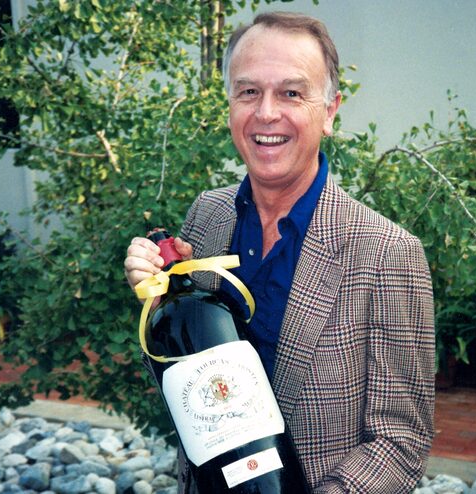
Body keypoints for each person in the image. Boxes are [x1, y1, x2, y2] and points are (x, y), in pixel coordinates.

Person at [124, 11, 435, 493]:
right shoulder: (207, 218)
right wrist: (158, 305)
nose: (266, 113)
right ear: (230, 105)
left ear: (329, 111)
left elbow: (401, 442)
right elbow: (185, 383)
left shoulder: (386, 254)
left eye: (291, 93)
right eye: (249, 91)